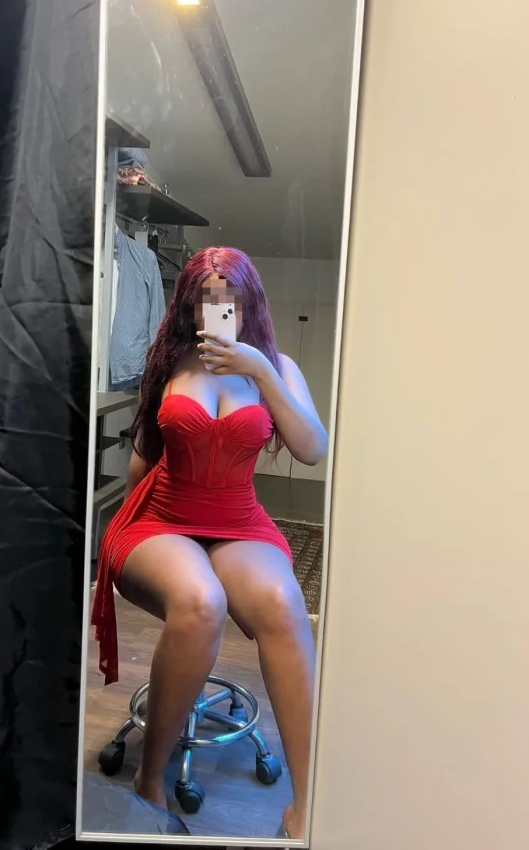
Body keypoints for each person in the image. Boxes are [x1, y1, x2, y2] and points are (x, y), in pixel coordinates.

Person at [91, 246, 328, 840]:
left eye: (232, 298)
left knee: (283, 603)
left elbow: (312, 449)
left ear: (251, 304)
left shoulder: (277, 367)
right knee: (201, 601)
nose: (219, 309)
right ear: (189, 304)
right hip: (163, 516)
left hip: (237, 520)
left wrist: (260, 371)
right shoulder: (167, 364)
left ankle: (307, 804)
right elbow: (142, 461)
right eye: (206, 297)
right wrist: (119, 538)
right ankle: (149, 782)